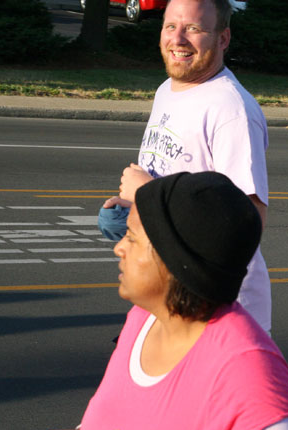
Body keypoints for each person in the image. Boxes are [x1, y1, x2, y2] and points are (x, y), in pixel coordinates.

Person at [36, 172, 288, 430]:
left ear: (175, 261)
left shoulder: (245, 366)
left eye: (132, 238)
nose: (118, 247)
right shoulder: (144, 320)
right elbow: (149, 415)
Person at [98, 0, 272, 332]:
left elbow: (246, 224)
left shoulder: (230, 111)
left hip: (215, 309)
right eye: (170, 26)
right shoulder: (167, 90)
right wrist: (134, 209)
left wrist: (148, 194)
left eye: (193, 28)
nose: (177, 39)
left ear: (223, 38)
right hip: (163, 291)